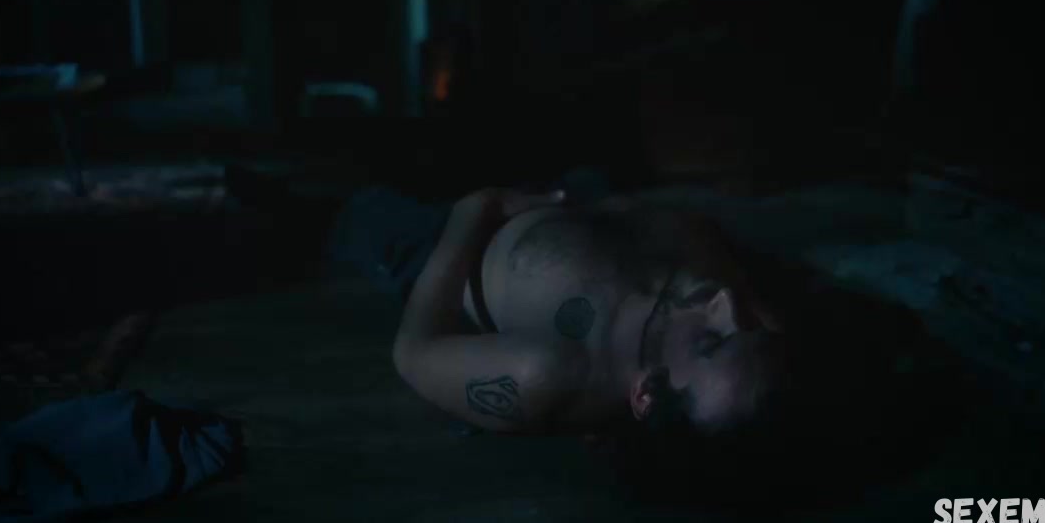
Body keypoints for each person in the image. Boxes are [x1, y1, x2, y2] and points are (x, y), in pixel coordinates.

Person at [328, 174, 796, 440]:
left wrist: (477, 208)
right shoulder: (719, 298)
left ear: (646, 395)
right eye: (747, 328)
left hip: (443, 240)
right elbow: (695, 236)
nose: (726, 303)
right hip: (565, 193)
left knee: (348, 202)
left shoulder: (547, 373)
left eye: (709, 343)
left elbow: (413, 351)